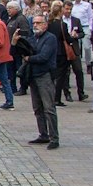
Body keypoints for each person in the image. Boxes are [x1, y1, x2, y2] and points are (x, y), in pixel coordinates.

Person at [19, 12, 62, 149]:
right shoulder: (33, 38)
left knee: (49, 108)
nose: (35, 25)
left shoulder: (50, 38)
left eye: (38, 23)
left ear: (45, 24)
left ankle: (54, 138)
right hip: (33, 75)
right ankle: (43, 134)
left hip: (45, 75)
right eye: (34, 23)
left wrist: (29, 58)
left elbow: (43, 56)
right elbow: (23, 50)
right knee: (37, 108)